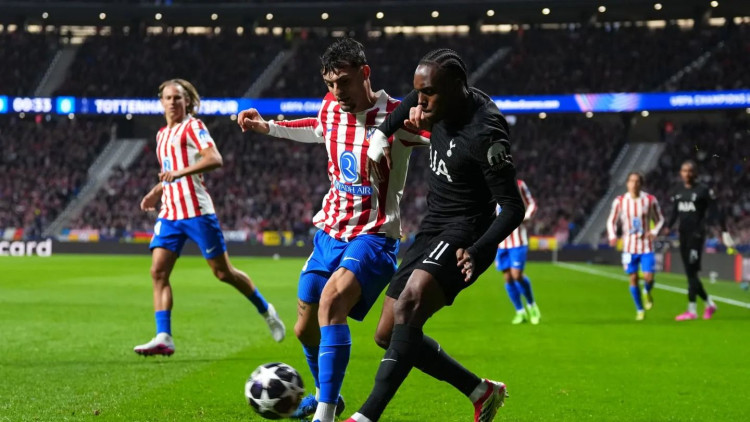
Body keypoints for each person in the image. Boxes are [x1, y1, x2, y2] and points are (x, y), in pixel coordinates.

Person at [237, 38, 428, 422]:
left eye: (343, 82)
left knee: (331, 303)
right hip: (329, 232)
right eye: (330, 84)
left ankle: (323, 415)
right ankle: (331, 397)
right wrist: (267, 127)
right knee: (304, 328)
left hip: (373, 235)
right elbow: (316, 128)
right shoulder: (330, 107)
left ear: (365, 73)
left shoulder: (396, 115)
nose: (337, 91)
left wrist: (432, 124)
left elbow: (441, 136)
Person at [345, 48, 525, 422]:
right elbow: (408, 103)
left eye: (428, 93)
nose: (420, 101)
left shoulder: (486, 133)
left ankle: (365, 416)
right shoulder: (434, 100)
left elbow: (513, 208)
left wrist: (478, 249)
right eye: (418, 92)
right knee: (387, 334)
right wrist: (381, 134)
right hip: (433, 226)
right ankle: (481, 391)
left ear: (457, 87)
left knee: (409, 303)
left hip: (467, 232)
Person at [133, 79, 285, 357]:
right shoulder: (161, 135)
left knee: (223, 273)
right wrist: (156, 192)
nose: (172, 102)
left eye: (178, 98)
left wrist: (178, 174)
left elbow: (214, 158)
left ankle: (266, 309)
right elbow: (170, 171)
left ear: (187, 101)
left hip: (197, 211)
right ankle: (164, 336)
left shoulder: (194, 126)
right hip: (170, 213)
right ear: (161, 102)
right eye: (168, 98)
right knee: (158, 272)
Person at [667, 160, 734, 321]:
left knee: (692, 272)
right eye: (684, 171)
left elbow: (716, 211)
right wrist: (666, 228)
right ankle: (709, 304)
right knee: (690, 274)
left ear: (695, 173)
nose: (687, 174)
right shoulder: (677, 191)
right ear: (680, 173)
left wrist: (724, 231)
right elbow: (674, 213)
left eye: (690, 171)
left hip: (696, 235)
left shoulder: (703, 190)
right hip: (683, 235)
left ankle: (692, 310)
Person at [606, 172, 665, 321]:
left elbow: (660, 219)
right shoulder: (620, 201)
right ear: (627, 183)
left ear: (641, 184)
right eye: (631, 181)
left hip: (646, 246)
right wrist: (612, 235)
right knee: (633, 278)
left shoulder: (650, 200)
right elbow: (611, 221)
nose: (634, 184)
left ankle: (647, 291)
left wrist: (654, 231)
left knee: (649, 277)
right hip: (628, 247)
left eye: (637, 181)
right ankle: (639, 309)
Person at [495, 179, 541, 324]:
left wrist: (526, 217)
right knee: (508, 278)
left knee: (517, 275)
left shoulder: (519, 184)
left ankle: (532, 306)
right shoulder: (490, 185)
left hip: (518, 241)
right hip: (500, 242)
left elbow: (532, 204)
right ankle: (520, 312)